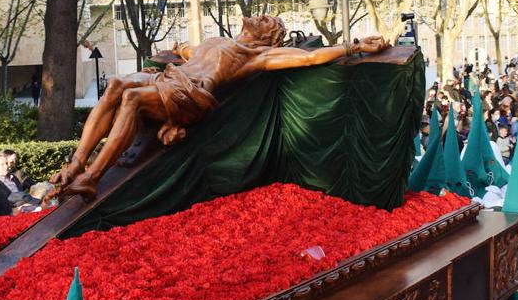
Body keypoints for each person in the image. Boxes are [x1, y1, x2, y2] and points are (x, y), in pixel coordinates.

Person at [52, 15, 391, 200]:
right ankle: (76, 164)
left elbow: (311, 57)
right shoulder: (220, 41)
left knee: (131, 98)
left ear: (270, 38)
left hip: (190, 96)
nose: (261, 16)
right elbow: (186, 52)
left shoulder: (258, 56)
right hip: (171, 78)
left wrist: (355, 45)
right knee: (114, 85)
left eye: (269, 20)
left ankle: (93, 177)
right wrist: (178, 49)